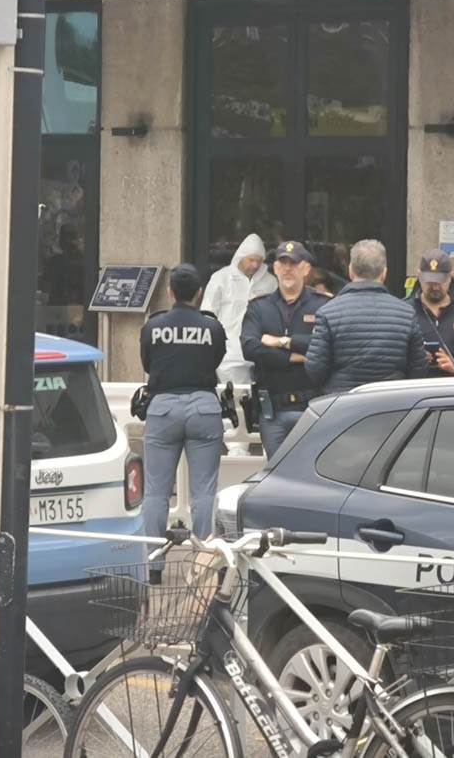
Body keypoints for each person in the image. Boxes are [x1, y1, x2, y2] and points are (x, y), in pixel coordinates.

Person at [139, 264, 226, 582]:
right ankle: (202, 564)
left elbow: (147, 363)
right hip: (204, 406)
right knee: (204, 492)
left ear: (170, 292)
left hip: (162, 408)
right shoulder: (212, 328)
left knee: (156, 493)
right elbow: (216, 359)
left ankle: (154, 567)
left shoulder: (154, 326)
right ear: (199, 293)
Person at [241, 240, 332, 457]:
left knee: (310, 476)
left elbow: (327, 345)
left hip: (312, 407)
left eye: (294, 263)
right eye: (282, 263)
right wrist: (295, 358)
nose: (287, 269)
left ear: (306, 269)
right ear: (274, 268)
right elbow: (250, 348)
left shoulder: (323, 306)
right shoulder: (259, 307)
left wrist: (283, 342)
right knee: (276, 477)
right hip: (273, 410)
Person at [304, 239, 427, 394]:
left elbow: (315, 369)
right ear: (384, 273)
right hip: (392, 407)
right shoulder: (406, 313)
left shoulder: (327, 312)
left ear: (350, 271)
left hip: (342, 405)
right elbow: (419, 368)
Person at [200, 233, 277, 383]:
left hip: (261, 351)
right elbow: (208, 315)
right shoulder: (221, 278)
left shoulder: (270, 282)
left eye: (259, 261)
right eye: (251, 260)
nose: (255, 265)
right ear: (241, 256)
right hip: (229, 353)